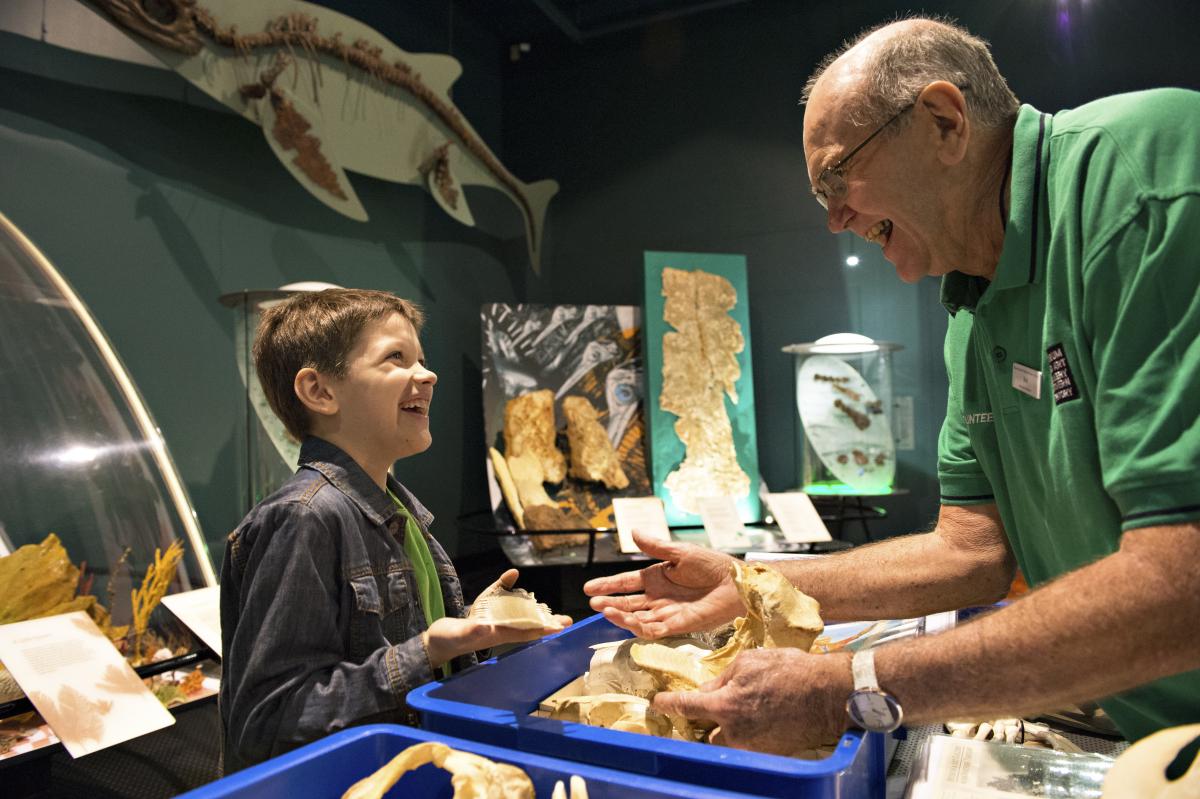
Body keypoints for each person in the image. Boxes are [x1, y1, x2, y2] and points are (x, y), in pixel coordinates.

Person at [585, 17, 1200, 755]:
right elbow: (971, 550)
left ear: (943, 121)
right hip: (1148, 726)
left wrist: (851, 685)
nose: (837, 220)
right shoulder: (973, 309)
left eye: (838, 180)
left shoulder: (1141, 180)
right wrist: (753, 581)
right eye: (822, 199)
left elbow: (1181, 581)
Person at [219, 288, 569, 770]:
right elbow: (268, 721)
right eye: (395, 358)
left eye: (421, 358)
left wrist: (474, 626)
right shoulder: (304, 517)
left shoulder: (399, 510)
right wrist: (425, 651)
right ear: (319, 391)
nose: (428, 374)